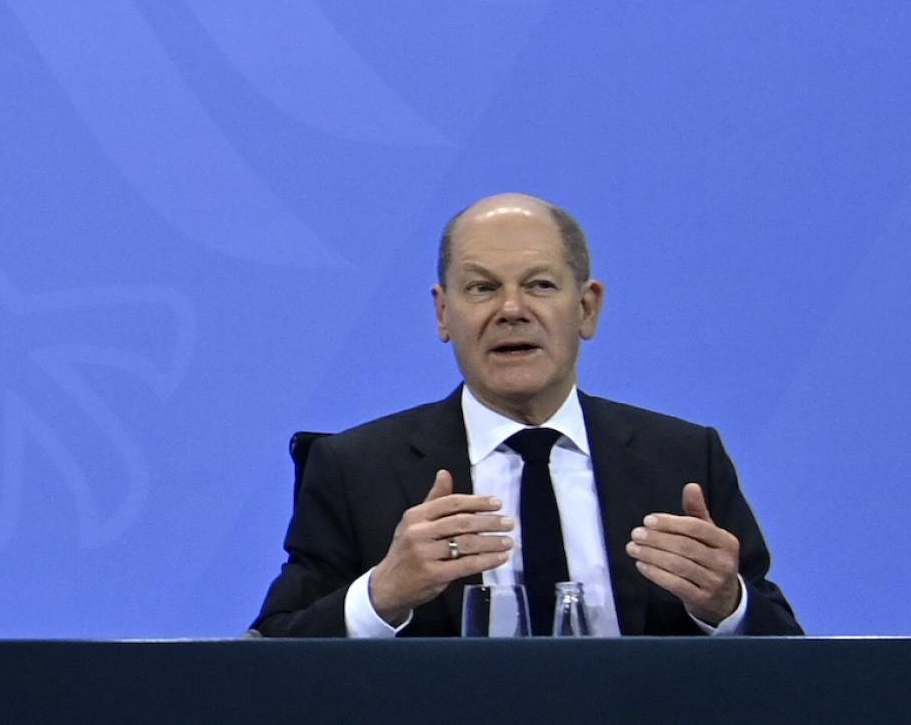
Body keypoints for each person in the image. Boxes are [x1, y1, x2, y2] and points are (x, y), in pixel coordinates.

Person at [252, 193, 800, 637]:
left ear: (586, 308)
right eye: (482, 288)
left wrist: (728, 606)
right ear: (444, 313)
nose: (511, 310)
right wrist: (379, 597)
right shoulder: (354, 469)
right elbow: (264, 662)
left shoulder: (682, 460)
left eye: (539, 285)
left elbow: (795, 663)